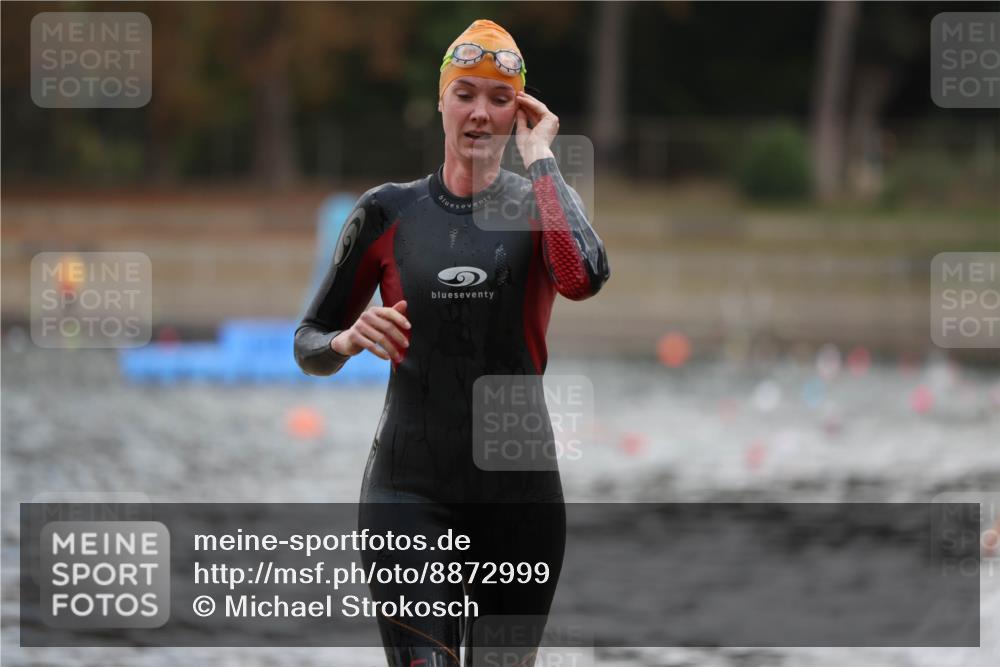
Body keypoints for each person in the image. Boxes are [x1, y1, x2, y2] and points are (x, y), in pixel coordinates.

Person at [294, 19, 609, 667]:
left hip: (520, 502)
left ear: (517, 111)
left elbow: (583, 278)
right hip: (409, 490)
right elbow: (308, 341)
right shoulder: (387, 213)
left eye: (499, 98)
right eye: (464, 93)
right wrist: (350, 337)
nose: (480, 113)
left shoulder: (539, 205)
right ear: (440, 100)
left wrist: (544, 156)